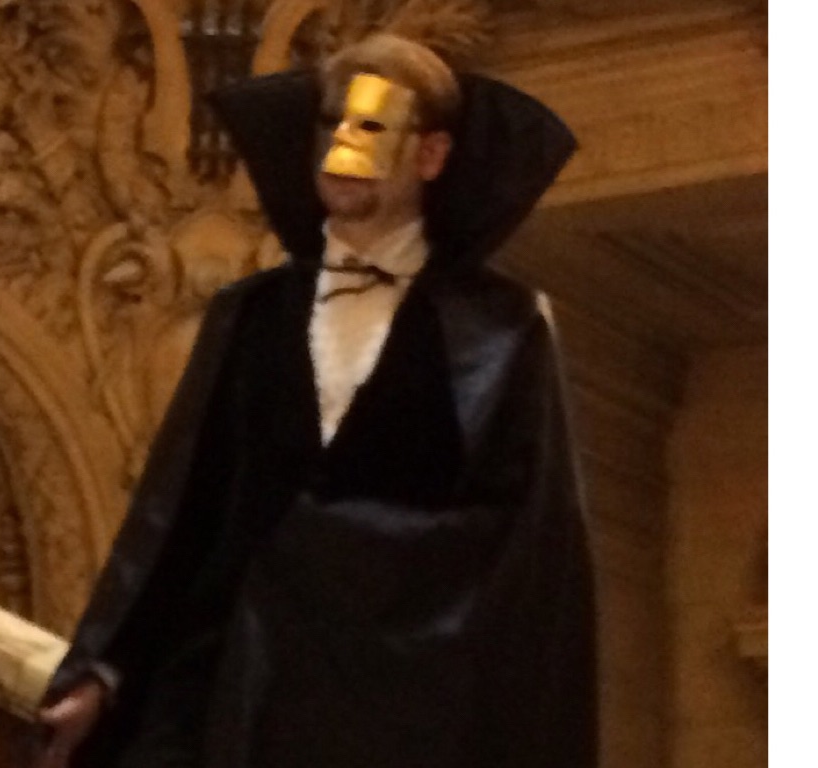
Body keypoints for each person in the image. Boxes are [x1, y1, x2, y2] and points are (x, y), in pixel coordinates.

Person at [35, 18, 597, 768]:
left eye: (374, 126)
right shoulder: (252, 315)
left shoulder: (501, 331)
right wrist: (103, 669)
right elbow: (180, 510)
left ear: (431, 154)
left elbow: (535, 566)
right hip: (243, 700)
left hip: (414, 719)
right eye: (332, 124)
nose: (343, 149)